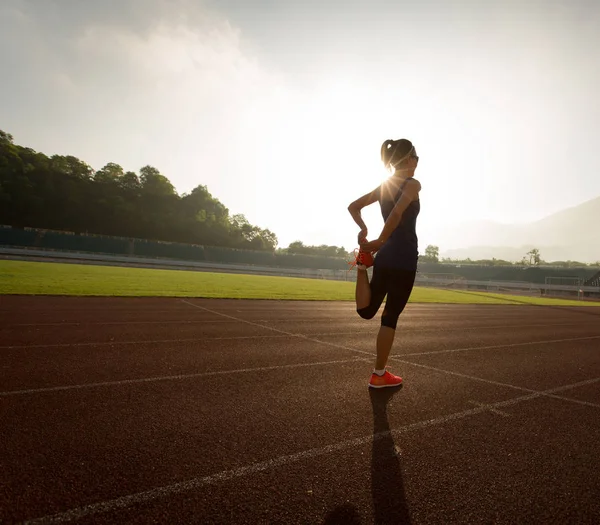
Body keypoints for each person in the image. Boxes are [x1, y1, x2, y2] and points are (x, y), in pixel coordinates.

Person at [347, 138, 421, 388]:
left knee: (367, 311)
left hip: (386, 257)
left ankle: (360, 266)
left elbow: (353, 207)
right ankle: (379, 375)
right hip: (404, 258)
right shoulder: (413, 184)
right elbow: (398, 212)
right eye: (417, 158)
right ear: (410, 159)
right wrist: (378, 241)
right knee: (390, 317)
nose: (417, 163)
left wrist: (364, 229)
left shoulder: (384, 186)